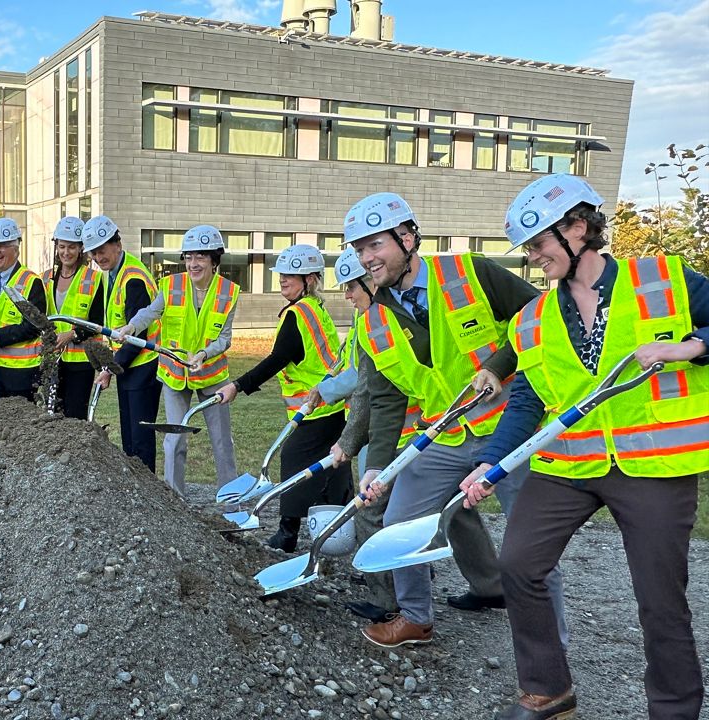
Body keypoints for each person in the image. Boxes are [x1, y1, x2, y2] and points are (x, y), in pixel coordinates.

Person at [459, 174, 709, 720]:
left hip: (653, 465)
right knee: (520, 562)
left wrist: (691, 346)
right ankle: (549, 691)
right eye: (527, 249)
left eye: (539, 244)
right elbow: (525, 397)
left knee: (659, 599)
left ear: (578, 229)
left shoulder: (663, 278)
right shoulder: (532, 319)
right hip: (568, 463)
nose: (532, 259)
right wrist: (488, 462)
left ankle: (674, 709)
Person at [347, 192, 566, 649]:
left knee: (530, 546)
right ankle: (415, 618)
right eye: (358, 249)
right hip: (441, 436)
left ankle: (549, 653)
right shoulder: (371, 324)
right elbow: (387, 402)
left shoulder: (471, 272)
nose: (365, 258)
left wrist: (503, 362)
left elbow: (544, 314)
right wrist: (377, 466)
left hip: (509, 431)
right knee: (400, 524)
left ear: (407, 237)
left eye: (374, 245)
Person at [218, 244, 351, 550]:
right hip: (331, 405)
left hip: (315, 408)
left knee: (293, 461)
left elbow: (277, 359)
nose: (283, 280)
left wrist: (237, 386)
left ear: (311, 280)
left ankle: (287, 533)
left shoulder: (297, 314)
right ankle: (341, 526)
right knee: (334, 464)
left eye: (293, 275)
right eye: (282, 275)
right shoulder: (316, 310)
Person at [115, 224, 239, 498]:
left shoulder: (228, 292)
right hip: (174, 374)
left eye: (200, 257)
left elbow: (225, 338)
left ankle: (232, 507)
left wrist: (205, 354)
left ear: (214, 260)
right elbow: (150, 311)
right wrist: (131, 327)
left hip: (211, 376)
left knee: (222, 444)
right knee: (174, 441)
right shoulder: (171, 285)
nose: (193, 264)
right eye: (188, 257)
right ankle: (175, 504)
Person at [309, 246, 398, 623]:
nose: (345, 295)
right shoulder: (379, 315)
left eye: (350, 287)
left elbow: (366, 390)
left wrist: (348, 442)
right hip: (414, 427)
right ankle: (488, 582)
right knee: (443, 513)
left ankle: (384, 597)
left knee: (369, 508)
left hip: (394, 429)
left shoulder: (379, 321)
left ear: (369, 283)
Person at [83, 215, 162, 471]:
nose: (98, 257)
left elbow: (136, 335)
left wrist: (110, 368)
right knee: (129, 432)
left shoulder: (133, 277)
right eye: (94, 253)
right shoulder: (114, 271)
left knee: (139, 438)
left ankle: (147, 489)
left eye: (102, 250)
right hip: (128, 365)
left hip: (143, 365)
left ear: (117, 243)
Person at [0, 218, 46, 402]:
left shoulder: (31, 281)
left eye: (2, 246)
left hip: (21, 373)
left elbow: (35, 326)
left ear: (16, 248)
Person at [43, 216, 105, 419]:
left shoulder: (94, 279)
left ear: (81, 249)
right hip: (53, 358)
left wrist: (71, 335)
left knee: (75, 416)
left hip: (81, 361)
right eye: (62, 247)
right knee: (52, 413)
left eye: (71, 247)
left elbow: (97, 322)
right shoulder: (45, 278)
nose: (66, 252)